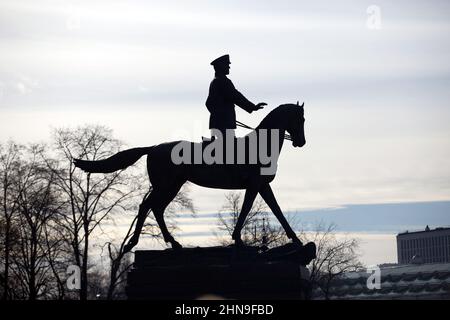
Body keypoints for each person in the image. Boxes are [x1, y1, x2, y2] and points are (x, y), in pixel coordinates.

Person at [205, 54, 266, 141]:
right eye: (227, 65)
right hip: (223, 125)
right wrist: (252, 107)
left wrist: (217, 115)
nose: (229, 67)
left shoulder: (216, 81)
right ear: (221, 66)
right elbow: (236, 97)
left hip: (220, 124)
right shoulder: (222, 81)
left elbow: (208, 103)